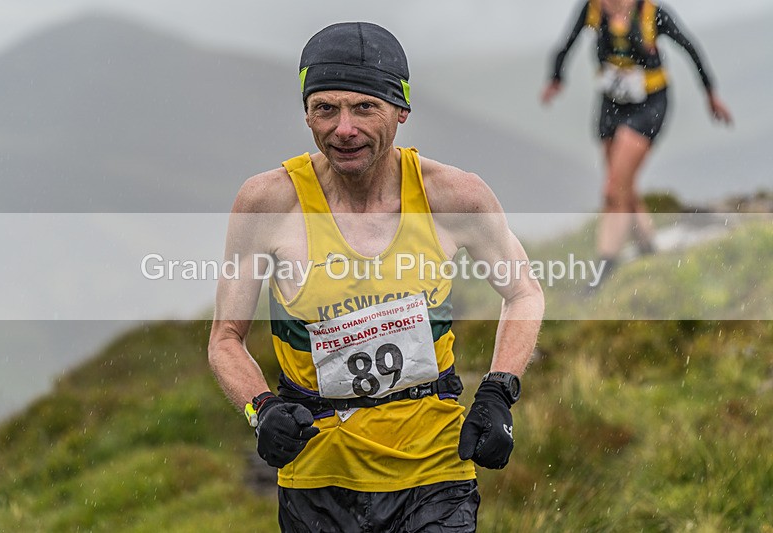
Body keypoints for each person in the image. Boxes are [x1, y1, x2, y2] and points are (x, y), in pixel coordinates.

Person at [208, 22, 544, 532]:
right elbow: (225, 339)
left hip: (435, 473)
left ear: (401, 110)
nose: (344, 128)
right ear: (306, 114)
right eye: (326, 108)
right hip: (318, 481)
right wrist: (263, 410)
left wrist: (499, 392)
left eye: (365, 107)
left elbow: (523, 292)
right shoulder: (267, 203)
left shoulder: (454, 197)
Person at [540, 0, 732, 281]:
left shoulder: (652, 13)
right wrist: (556, 78)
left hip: (648, 105)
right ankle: (648, 248)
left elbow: (691, 49)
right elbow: (567, 42)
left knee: (611, 190)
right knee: (622, 185)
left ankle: (605, 268)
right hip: (611, 103)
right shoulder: (593, 9)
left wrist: (711, 94)